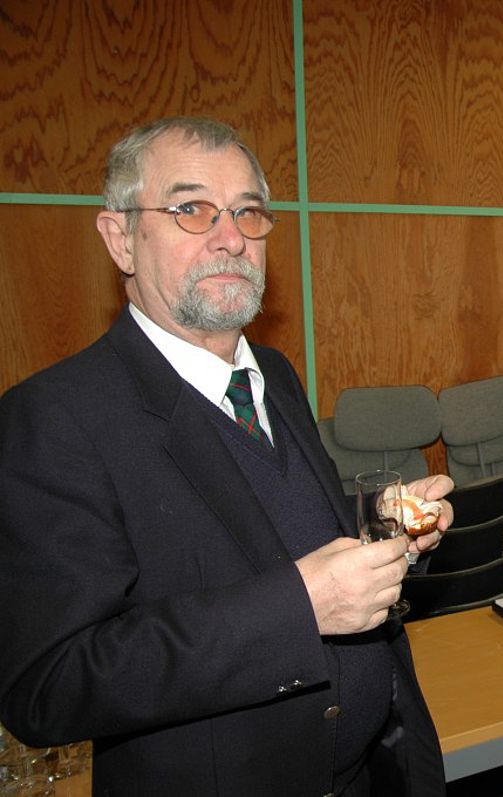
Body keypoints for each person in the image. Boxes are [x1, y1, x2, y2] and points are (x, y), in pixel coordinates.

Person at [0, 117, 451, 796]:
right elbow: (49, 685)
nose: (232, 237)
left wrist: (382, 523)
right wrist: (301, 608)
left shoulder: (275, 373)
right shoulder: (56, 416)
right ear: (120, 238)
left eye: (247, 211)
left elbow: (255, 524)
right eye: (191, 209)